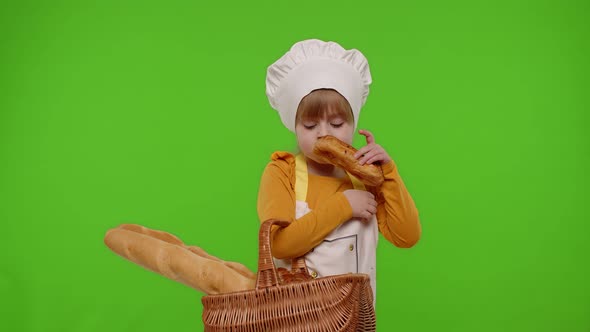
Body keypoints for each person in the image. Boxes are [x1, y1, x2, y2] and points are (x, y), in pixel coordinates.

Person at [257, 39, 421, 303]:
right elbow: (280, 245)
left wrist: (388, 174)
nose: (323, 133)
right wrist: (343, 205)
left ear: (354, 124)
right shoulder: (281, 172)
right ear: (294, 127)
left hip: (357, 322)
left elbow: (407, 236)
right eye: (310, 125)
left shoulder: (364, 177)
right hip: (297, 320)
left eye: (336, 123)